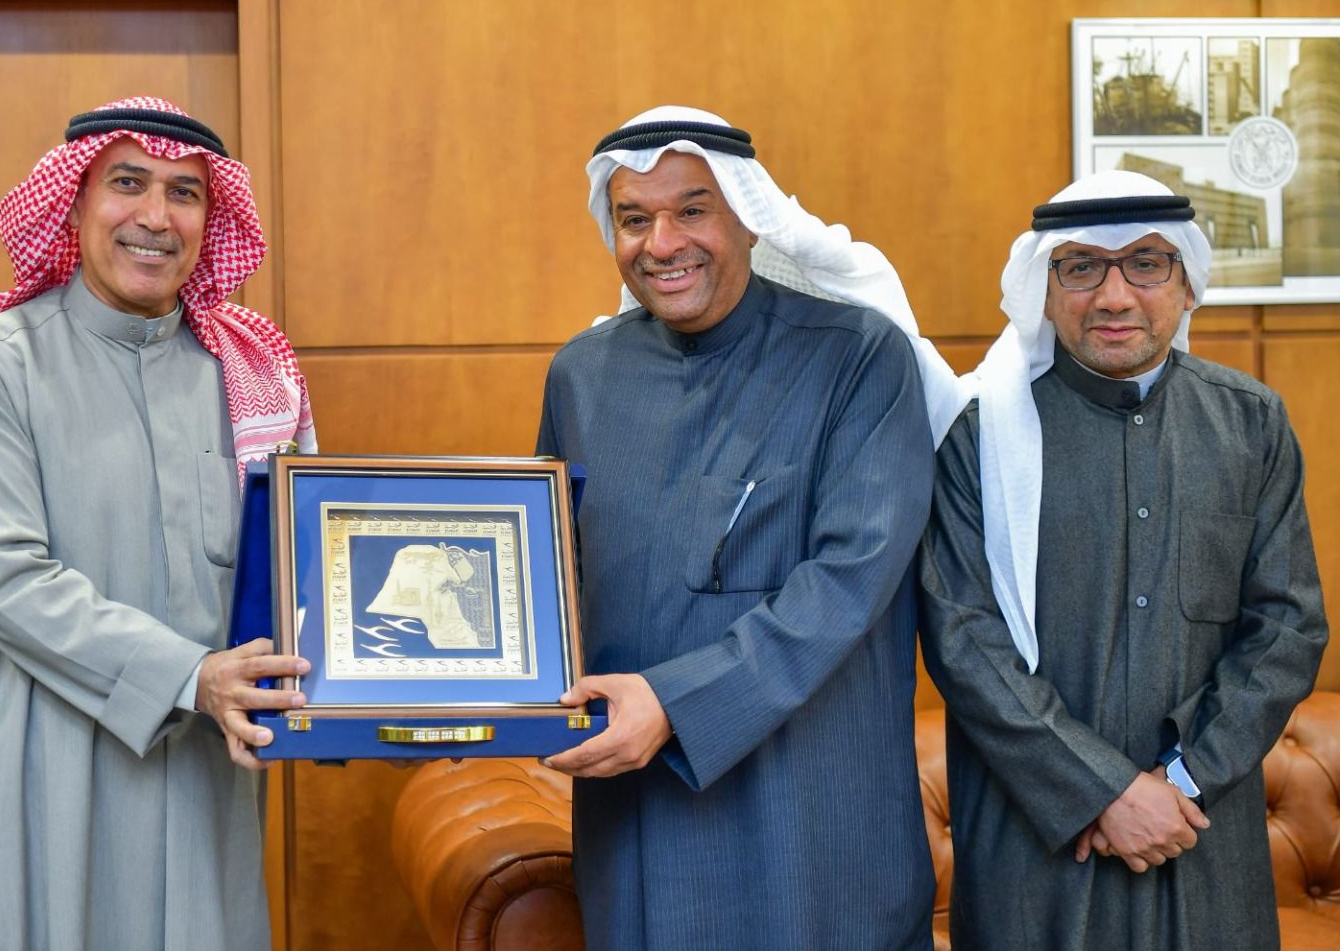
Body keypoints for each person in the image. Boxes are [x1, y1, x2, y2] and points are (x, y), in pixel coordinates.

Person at [538, 106, 963, 949]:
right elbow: (548, 581)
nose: (662, 243)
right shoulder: (581, 374)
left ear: (748, 215)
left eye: (692, 210)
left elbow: (849, 584)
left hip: (810, 818)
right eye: (634, 218)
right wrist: (456, 694)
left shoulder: (859, 357)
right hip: (638, 815)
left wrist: (673, 703)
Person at [0, 97, 318, 950]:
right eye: (128, 183)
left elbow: (302, 573)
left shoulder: (251, 378)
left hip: (201, 788)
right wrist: (193, 675)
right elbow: (8, 585)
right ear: (74, 203)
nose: (156, 217)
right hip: (38, 783)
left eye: (185, 192)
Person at [918, 170, 1328, 949]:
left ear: (1187, 284)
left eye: (1145, 263)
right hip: (1037, 850)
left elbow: (1287, 629)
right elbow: (962, 639)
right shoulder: (979, 437)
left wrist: (1181, 780)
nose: (1113, 296)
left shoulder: (1251, 424)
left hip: (1201, 839)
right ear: (1044, 290)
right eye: (1081, 267)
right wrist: (1101, 790)